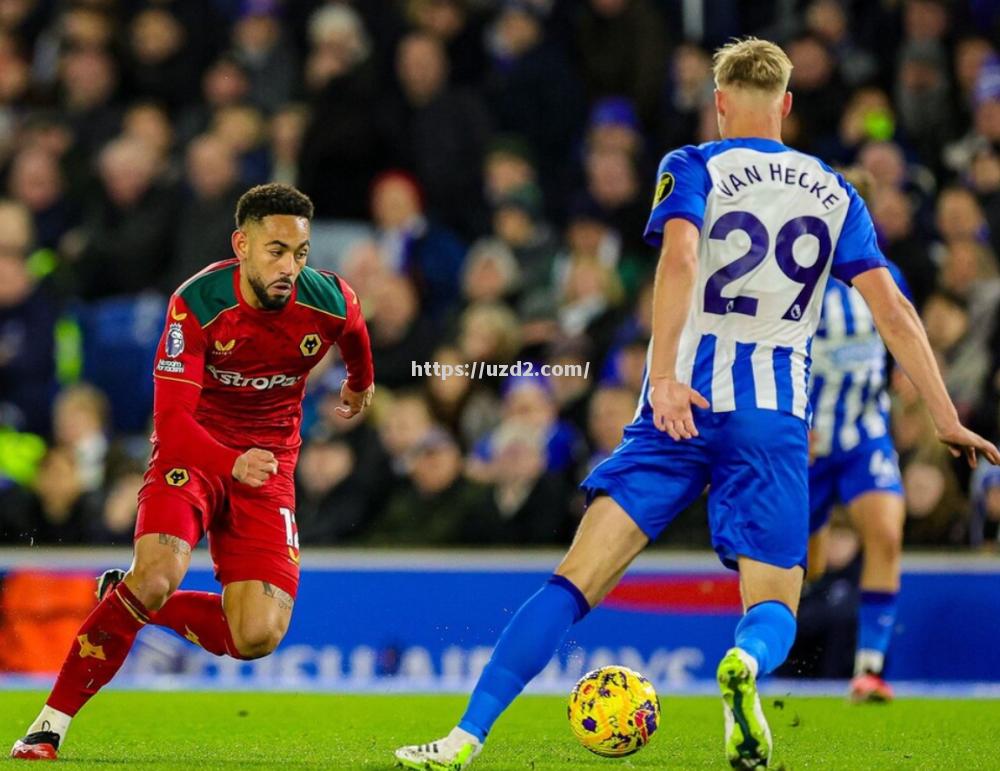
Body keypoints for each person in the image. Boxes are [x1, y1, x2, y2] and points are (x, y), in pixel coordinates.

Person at [395, 38, 999, 770]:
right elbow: (895, 310)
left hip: (677, 408)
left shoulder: (694, 164)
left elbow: (679, 260)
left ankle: (465, 737)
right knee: (774, 603)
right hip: (772, 419)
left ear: (719, 103)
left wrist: (665, 376)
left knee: (573, 579)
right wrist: (943, 416)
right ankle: (743, 662)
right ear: (786, 104)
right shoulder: (835, 191)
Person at [11, 183, 375, 760]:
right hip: (196, 456)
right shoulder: (198, 304)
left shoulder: (329, 299)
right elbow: (173, 424)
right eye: (276, 250)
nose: (290, 267)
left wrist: (359, 383)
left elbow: (355, 336)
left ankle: (122, 598)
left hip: (268, 468)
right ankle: (48, 724)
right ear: (242, 245)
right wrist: (232, 460)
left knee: (256, 636)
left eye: (301, 253)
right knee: (158, 573)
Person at [806, 170, 910, 703]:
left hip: (864, 435)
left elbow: (902, 341)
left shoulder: (887, 277)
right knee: (801, 567)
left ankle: (868, 671)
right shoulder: (794, 278)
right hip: (806, 440)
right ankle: (759, 660)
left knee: (887, 534)